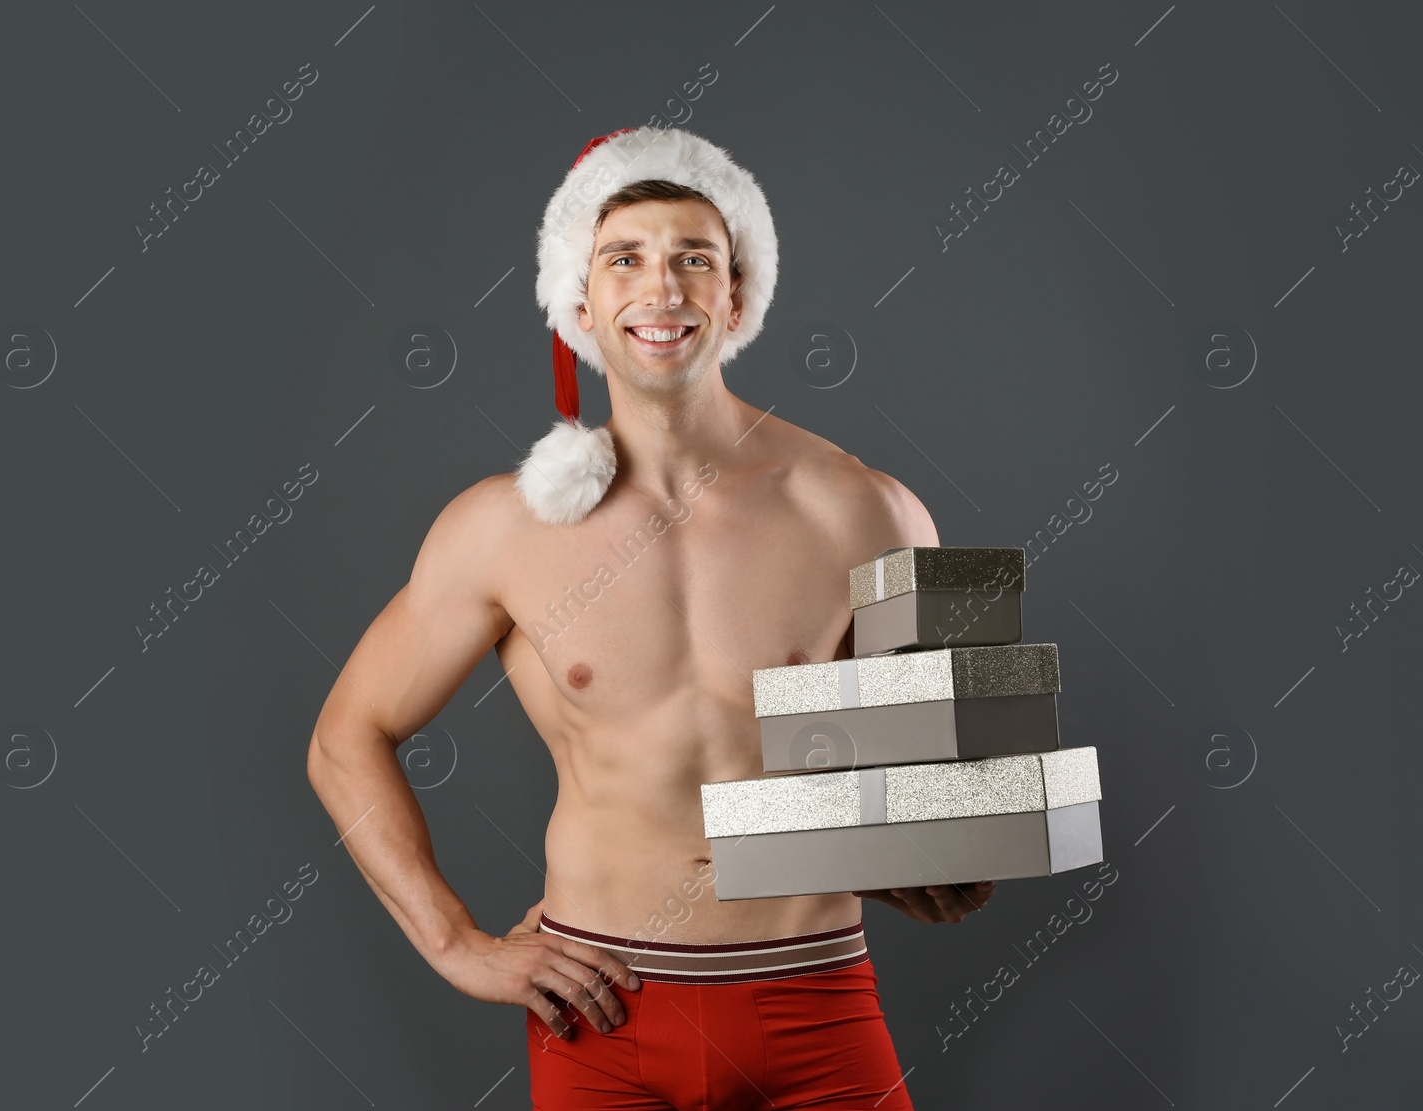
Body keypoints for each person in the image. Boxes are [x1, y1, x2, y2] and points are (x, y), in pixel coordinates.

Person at [306, 126, 995, 1110]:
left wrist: (922, 840)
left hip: (814, 1002)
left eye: (692, 260)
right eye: (624, 259)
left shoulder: (865, 507)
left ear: (737, 295)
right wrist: (455, 943)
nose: (660, 289)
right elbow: (345, 737)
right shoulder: (502, 528)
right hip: (606, 1015)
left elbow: (946, 793)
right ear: (578, 304)